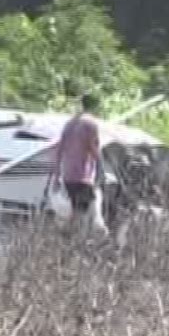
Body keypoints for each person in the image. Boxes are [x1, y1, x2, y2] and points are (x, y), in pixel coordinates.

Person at [47, 92, 108, 237]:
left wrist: (56, 176)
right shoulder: (90, 124)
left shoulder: (70, 123)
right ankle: (77, 243)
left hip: (68, 176)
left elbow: (59, 150)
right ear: (95, 106)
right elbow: (94, 149)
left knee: (75, 211)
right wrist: (101, 171)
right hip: (83, 177)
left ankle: (67, 238)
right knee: (85, 216)